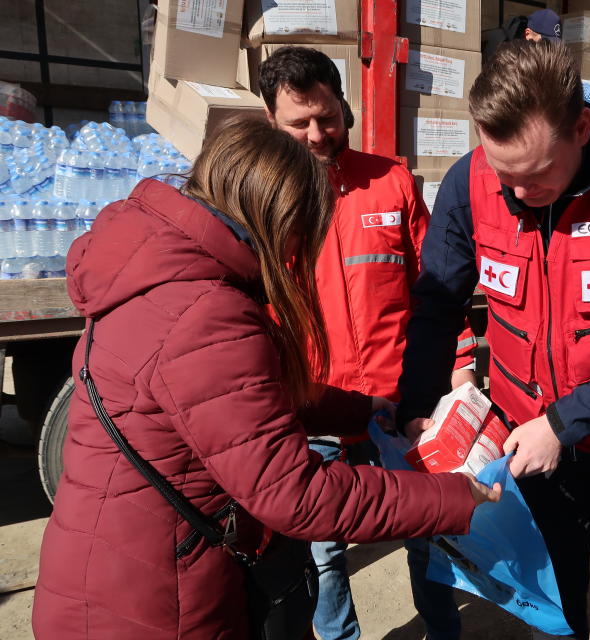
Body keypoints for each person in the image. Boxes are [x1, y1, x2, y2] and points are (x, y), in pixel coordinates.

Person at [31, 116, 499, 640]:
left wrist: (360, 409)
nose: (300, 251)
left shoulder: (163, 271)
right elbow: (295, 495)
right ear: (275, 217)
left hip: (113, 566)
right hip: (150, 603)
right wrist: (452, 497)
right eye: (304, 230)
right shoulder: (205, 311)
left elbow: (239, 403)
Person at [397, 41, 590, 640]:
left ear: (581, 128)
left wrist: (565, 423)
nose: (514, 192)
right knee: (555, 601)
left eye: (535, 174)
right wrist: (416, 405)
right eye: (502, 174)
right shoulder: (467, 183)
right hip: (525, 430)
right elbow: (436, 305)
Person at [258, 46, 476, 640]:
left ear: (345, 108)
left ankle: (442, 632)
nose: (315, 134)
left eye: (326, 117)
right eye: (297, 123)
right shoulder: (264, 203)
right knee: (323, 553)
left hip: (400, 405)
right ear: (271, 123)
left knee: (427, 531)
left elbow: (438, 289)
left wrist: (458, 368)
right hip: (313, 408)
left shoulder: (392, 182)